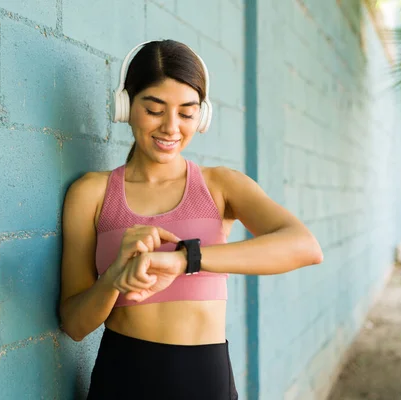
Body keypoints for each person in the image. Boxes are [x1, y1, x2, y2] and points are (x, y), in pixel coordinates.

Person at [59, 39, 324, 400]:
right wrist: (113, 281)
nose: (171, 127)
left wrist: (186, 258)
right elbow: (74, 325)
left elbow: (305, 246)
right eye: (154, 109)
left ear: (203, 115)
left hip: (205, 382)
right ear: (126, 106)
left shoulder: (220, 186)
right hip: (121, 379)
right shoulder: (90, 193)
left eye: (186, 113)